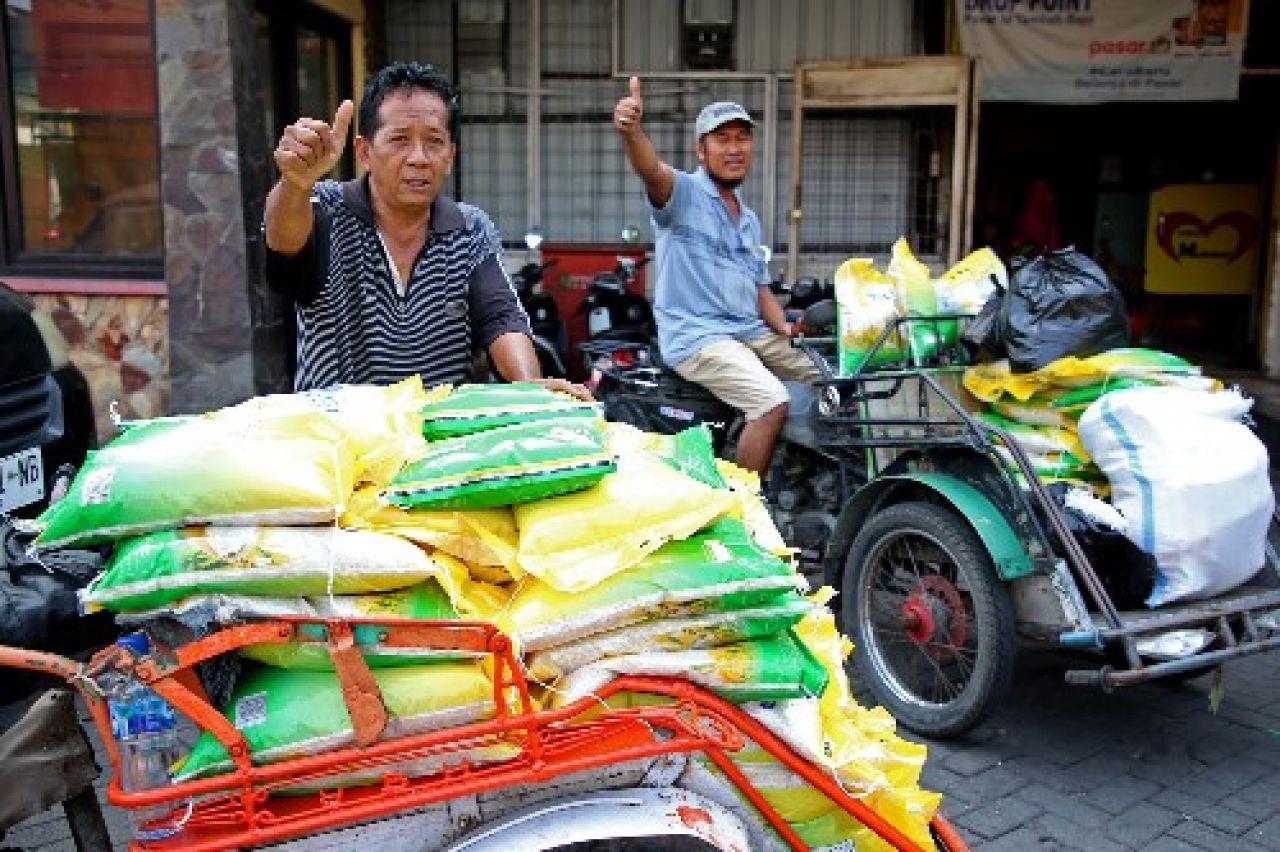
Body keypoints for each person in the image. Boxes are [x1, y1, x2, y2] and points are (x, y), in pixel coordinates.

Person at [265, 61, 586, 398]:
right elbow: (282, 242)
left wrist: (529, 387)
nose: (419, 157)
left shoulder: (470, 227)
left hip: (439, 440)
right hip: (339, 441)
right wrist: (295, 184)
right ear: (364, 152)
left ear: (450, 156)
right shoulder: (323, 206)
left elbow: (501, 317)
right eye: (400, 140)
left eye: (434, 142)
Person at [612, 77, 818, 474]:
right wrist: (632, 132)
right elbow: (651, 170)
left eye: (742, 138)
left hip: (748, 330)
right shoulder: (684, 194)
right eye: (722, 139)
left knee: (834, 373)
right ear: (701, 151)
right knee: (771, 401)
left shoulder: (749, 219)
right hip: (698, 337)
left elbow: (760, 287)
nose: (735, 148)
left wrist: (787, 329)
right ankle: (743, 509)